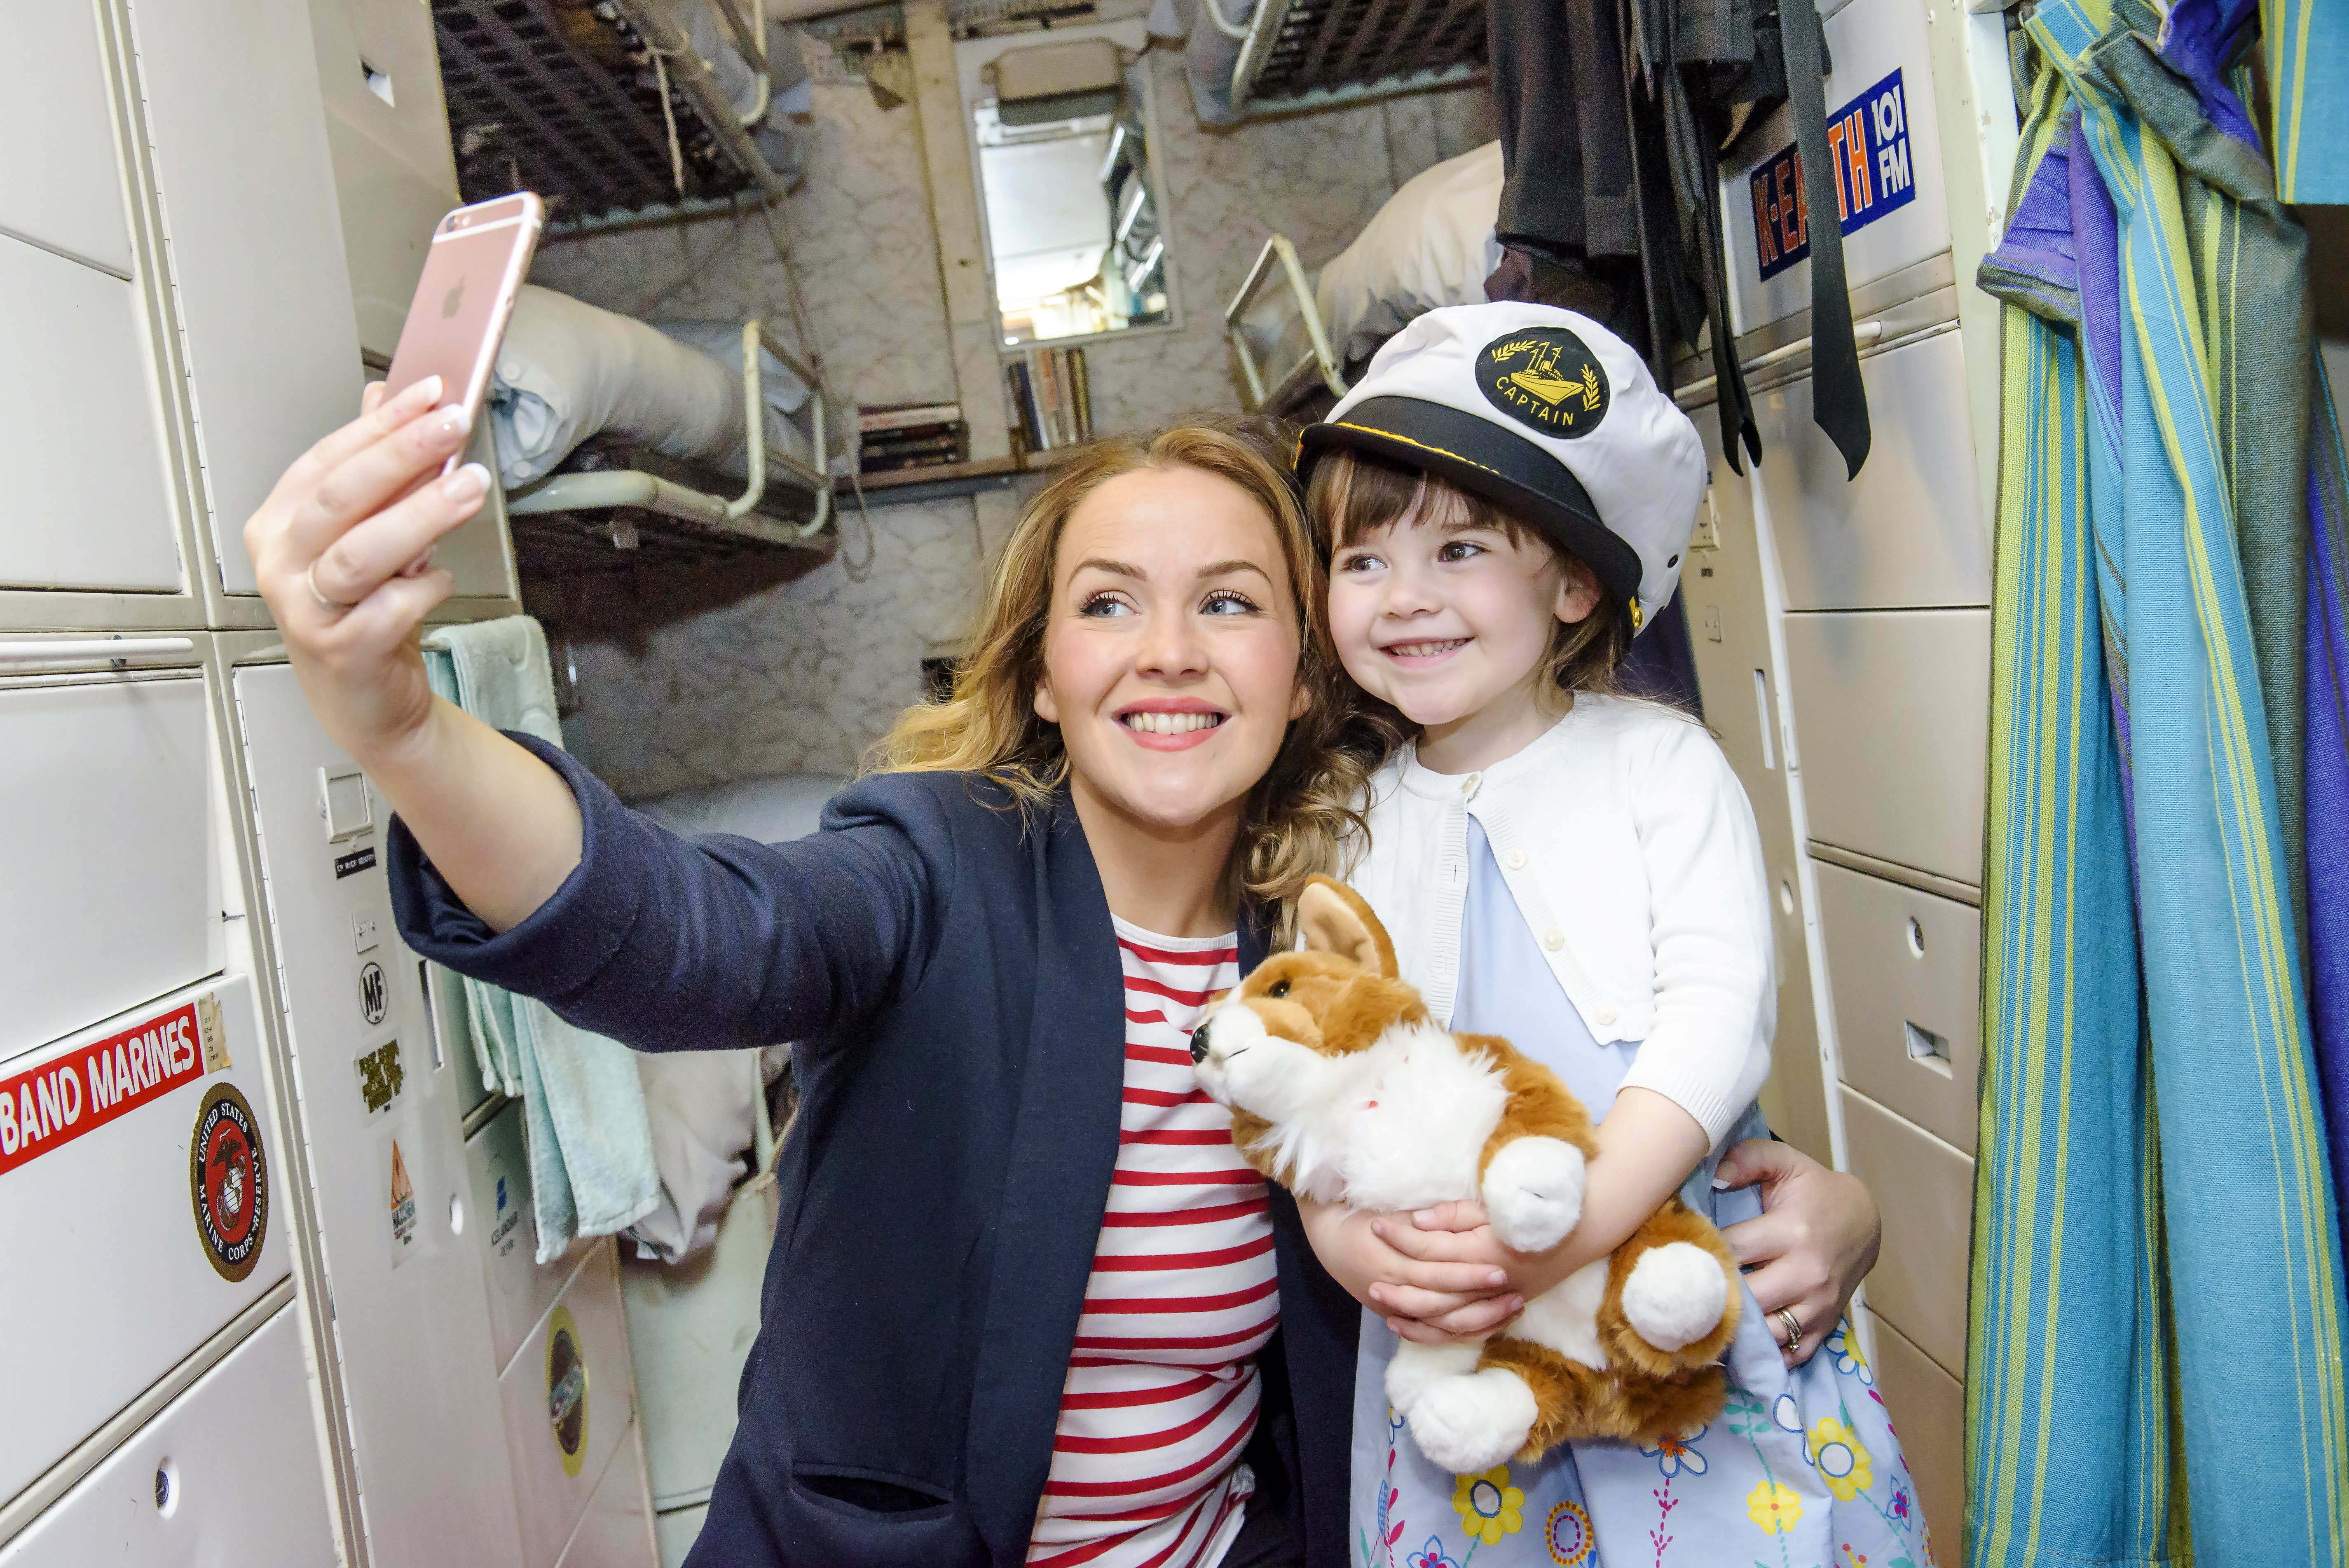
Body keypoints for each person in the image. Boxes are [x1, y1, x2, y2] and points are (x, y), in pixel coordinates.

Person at [240, 374, 1883, 1568]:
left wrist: (1828, 1216)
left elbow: (1560, 1114)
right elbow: (693, 931)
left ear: (1304, 679)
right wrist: (400, 725)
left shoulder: (1326, 943)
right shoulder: (928, 873)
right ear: (1040, 671)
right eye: (1111, 605)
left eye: (1229, 604)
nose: (1169, 650)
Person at [1291, 303, 1927, 1567]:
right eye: (1362, 563)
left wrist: (1574, 1232)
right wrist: (1355, 1247)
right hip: (1456, 1322)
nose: (1403, 598)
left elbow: (1715, 1014)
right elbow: (1322, 1086)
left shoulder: (1661, 763)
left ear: (1576, 583)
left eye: (1460, 549)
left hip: (1654, 1265)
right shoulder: (1348, 821)